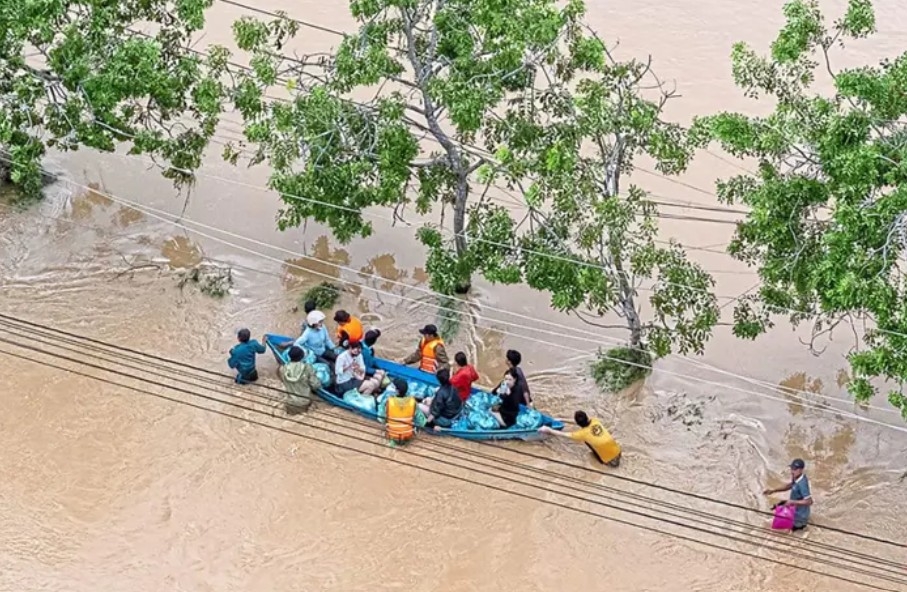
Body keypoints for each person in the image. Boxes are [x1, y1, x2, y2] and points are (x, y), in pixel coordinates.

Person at [539, 411, 622, 467]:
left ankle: (601, 461)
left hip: (610, 461)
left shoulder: (582, 434)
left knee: (587, 441)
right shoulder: (595, 420)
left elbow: (563, 434)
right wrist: (561, 419)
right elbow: (582, 422)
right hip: (618, 452)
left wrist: (548, 430)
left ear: (578, 423)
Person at [763, 458, 813, 531]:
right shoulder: (796, 477)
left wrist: (792, 502)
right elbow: (790, 485)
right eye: (792, 468)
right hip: (793, 509)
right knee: (776, 507)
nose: (792, 471)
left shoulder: (802, 484)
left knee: (776, 530)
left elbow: (809, 501)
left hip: (799, 517)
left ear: (801, 470)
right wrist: (773, 490)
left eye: (795, 469)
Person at [279, 346, 323, 414]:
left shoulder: (283, 369)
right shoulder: (307, 368)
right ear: (302, 356)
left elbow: (283, 381)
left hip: (290, 403)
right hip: (304, 403)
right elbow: (315, 385)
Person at [385, 378, 417, 443]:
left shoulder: (389, 401)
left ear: (397, 390)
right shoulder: (412, 401)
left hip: (392, 435)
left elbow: (382, 418)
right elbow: (419, 419)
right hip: (407, 436)